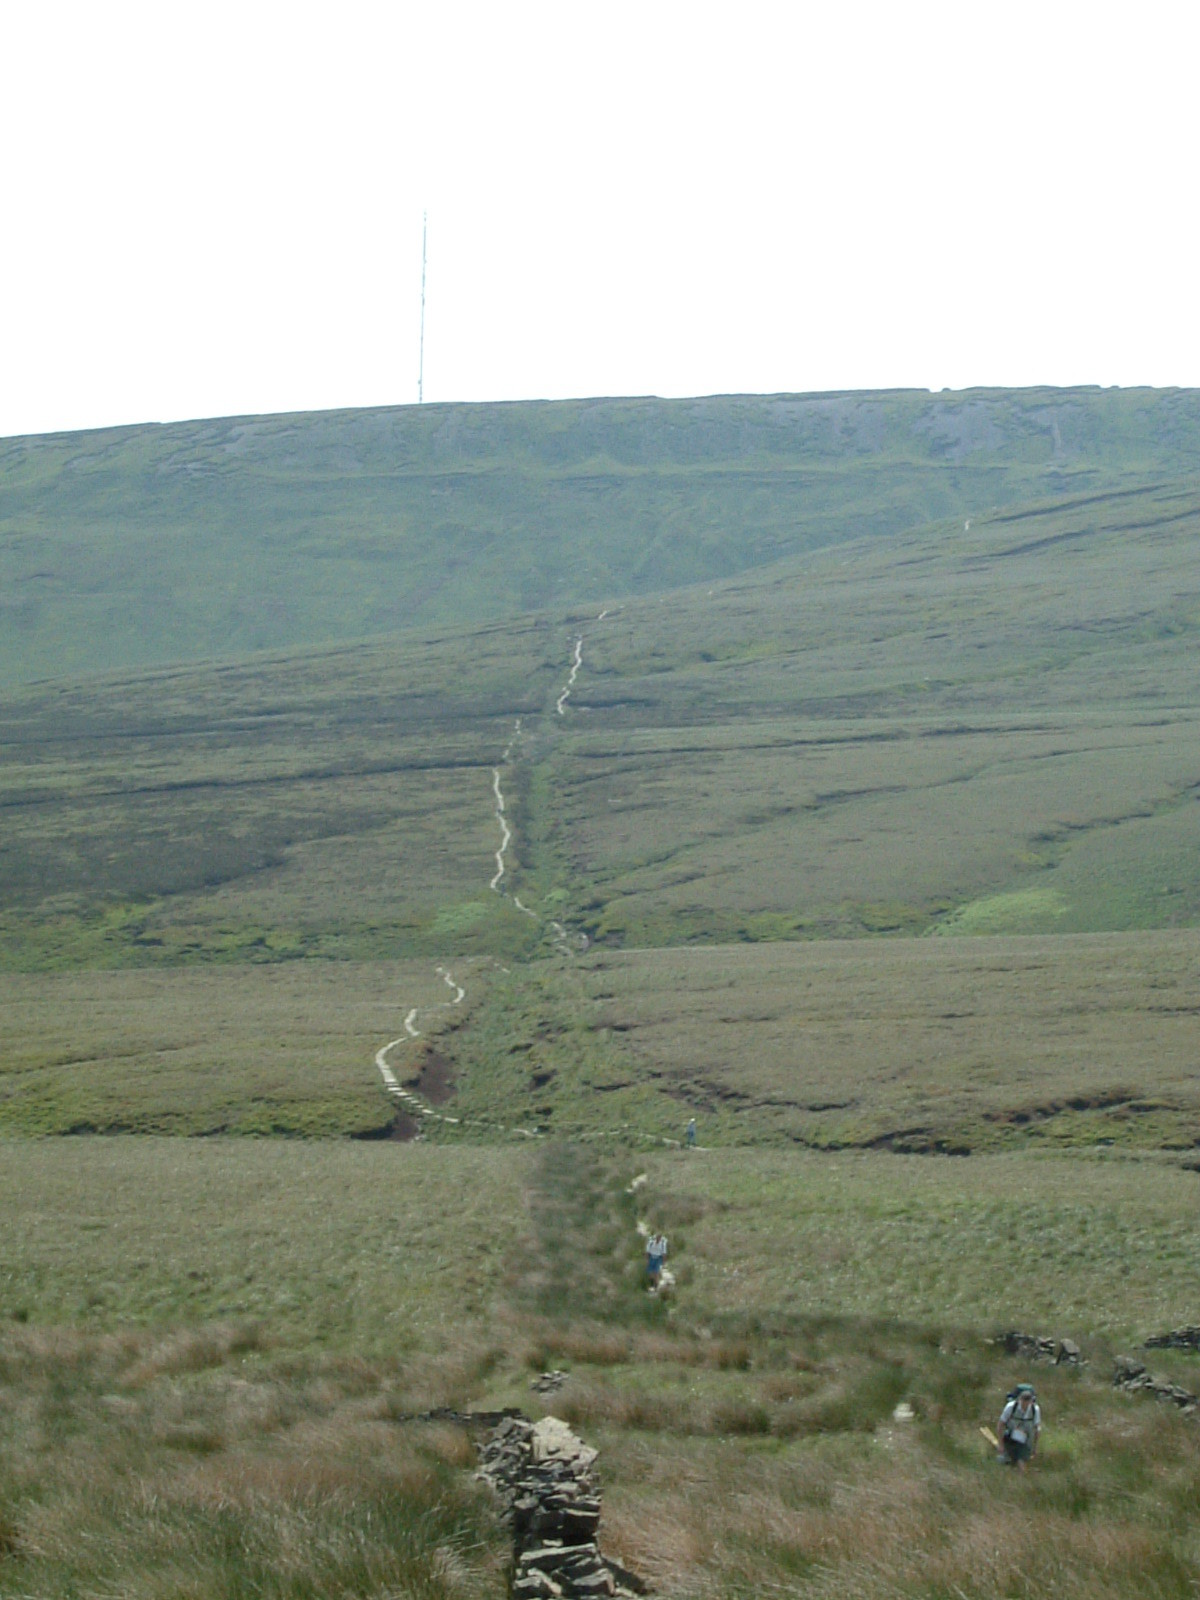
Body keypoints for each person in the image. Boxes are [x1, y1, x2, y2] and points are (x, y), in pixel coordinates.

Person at [998, 1383, 1041, 1468]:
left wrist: (1035, 1446)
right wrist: (1001, 1444)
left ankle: (1021, 1478)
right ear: (1019, 1399)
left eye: (1028, 1400)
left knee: (1021, 1461)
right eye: (1024, 1400)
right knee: (1008, 1462)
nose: (1026, 1403)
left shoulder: (1035, 1409)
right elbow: (1000, 1424)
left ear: (1032, 1401)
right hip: (1010, 1438)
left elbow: (1037, 1428)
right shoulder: (1010, 1407)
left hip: (1026, 1440)